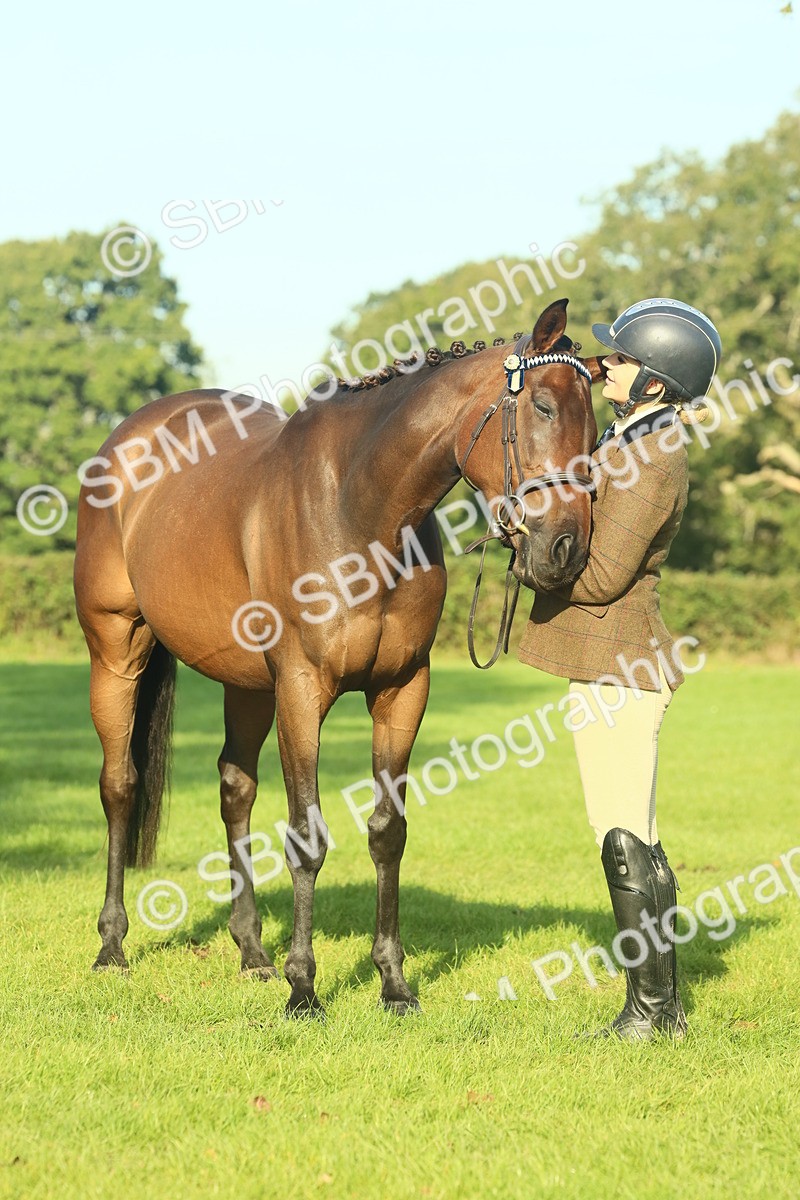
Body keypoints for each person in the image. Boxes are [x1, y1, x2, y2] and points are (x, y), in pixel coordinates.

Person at [517, 297, 722, 1041]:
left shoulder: (655, 454)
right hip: (611, 664)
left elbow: (601, 577)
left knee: (622, 837)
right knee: (637, 833)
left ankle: (650, 1012)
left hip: (622, 665)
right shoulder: (630, 437)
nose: (609, 366)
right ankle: (661, 1010)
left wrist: (527, 553)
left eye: (625, 361)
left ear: (657, 385)